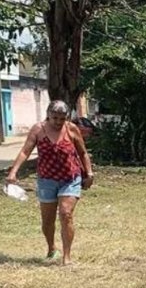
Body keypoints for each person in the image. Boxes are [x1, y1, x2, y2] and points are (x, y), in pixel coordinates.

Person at [6, 100, 94, 266]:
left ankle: (67, 256)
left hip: (70, 178)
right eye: (55, 118)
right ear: (48, 115)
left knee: (66, 213)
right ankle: (51, 247)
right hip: (47, 179)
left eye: (62, 118)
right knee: (47, 220)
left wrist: (89, 173)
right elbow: (25, 151)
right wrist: (13, 172)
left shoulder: (71, 129)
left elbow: (82, 153)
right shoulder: (38, 129)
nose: (58, 122)